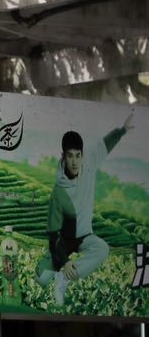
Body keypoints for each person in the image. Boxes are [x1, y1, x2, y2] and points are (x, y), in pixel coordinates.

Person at [36, 111, 134, 305]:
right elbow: (53, 234)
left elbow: (106, 143)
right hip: (64, 241)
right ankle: (58, 270)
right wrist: (64, 260)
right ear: (63, 155)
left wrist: (122, 130)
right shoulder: (58, 192)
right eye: (70, 156)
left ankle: (63, 278)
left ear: (82, 155)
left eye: (78, 156)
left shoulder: (89, 161)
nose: (75, 161)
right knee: (41, 278)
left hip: (85, 236)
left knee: (102, 248)